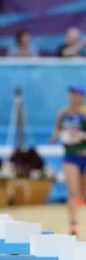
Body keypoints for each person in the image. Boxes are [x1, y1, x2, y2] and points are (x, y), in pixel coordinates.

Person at [49, 85, 86, 236]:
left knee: (83, 193)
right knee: (72, 191)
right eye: (71, 94)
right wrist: (55, 136)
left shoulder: (84, 114)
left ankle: (79, 210)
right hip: (70, 156)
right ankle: (73, 223)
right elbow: (58, 128)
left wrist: (81, 136)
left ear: (81, 97)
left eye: (75, 94)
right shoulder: (63, 114)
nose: (72, 97)